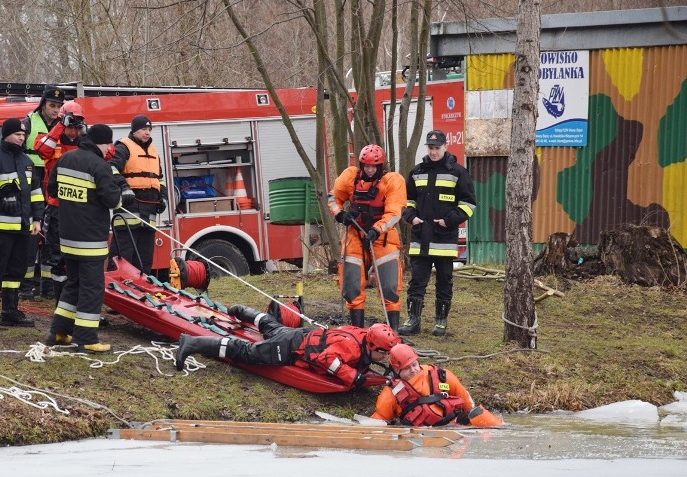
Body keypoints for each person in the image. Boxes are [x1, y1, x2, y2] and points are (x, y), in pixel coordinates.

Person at [174, 304, 401, 389]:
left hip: (300, 336)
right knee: (245, 352)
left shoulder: (362, 335)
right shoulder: (351, 347)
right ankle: (193, 343)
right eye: (384, 353)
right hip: (291, 349)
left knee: (273, 328)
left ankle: (243, 311)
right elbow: (327, 360)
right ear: (373, 346)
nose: (385, 357)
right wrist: (354, 377)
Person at [45, 124, 123, 353]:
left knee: (73, 284)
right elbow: (113, 201)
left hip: (68, 237)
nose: (110, 148)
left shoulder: (65, 159)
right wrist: (120, 194)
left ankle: (59, 331)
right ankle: (86, 338)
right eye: (109, 144)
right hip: (90, 240)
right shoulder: (100, 165)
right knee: (92, 288)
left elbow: (52, 189)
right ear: (102, 143)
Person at [399, 130, 476, 337]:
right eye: (431, 148)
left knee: (444, 281)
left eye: (437, 148)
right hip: (420, 238)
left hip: (444, 240)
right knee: (416, 282)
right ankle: (412, 320)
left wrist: (448, 221)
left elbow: (468, 204)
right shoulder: (416, 172)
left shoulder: (458, 172)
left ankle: (441, 322)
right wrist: (411, 217)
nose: (433, 152)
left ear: (445, 147)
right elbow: (406, 202)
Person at [328, 144, 407, 330]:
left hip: (383, 238)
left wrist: (376, 230)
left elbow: (394, 213)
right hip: (355, 236)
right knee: (352, 286)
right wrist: (340, 214)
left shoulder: (392, 181)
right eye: (367, 166)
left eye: (374, 167)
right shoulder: (349, 177)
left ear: (380, 167)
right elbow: (333, 197)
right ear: (361, 165)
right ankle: (357, 332)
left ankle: (392, 332)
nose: (370, 170)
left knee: (390, 287)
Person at [0, 118, 43, 328]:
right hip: (0, 227)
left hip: (23, 227)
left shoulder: (27, 162)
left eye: (23, 135)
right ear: (6, 135)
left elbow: (36, 193)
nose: (21, 138)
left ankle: (10, 311)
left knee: (16, 270)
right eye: (17, 134)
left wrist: (38, 219)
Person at [32, 100, 86, 301]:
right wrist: (60, 126)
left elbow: (105, 156)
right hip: (57, 208)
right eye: (69, 127)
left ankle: (77, 298)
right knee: (58, 257)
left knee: (80, 257)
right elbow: (42, 150)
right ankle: (61, 302)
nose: (72, 132)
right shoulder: (51, 140)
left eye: (75, 127)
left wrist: (85, 133)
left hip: (80, 208)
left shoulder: (84, 143)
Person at [371, 344, 502, 427]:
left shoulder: (441, 376)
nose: (413, 370)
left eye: (414, 364)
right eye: (407, 368)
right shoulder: (391, 393)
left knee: (478, 414)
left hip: (454, 427)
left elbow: (467, 402)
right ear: (397, 370)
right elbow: (378, 421)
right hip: (421, 436)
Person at [21, 85, 64, 299]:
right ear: (43, 104)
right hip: (32, 175)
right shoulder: (29, 123)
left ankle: (48, 286)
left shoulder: (64, 125)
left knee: (51, 236)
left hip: (54, 178)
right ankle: (26, 286)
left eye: (58, 106)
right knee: (31, 234)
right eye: (52, 105)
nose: (55, 110)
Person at [110, 114, 167, 275]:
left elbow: (159, 179)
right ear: (134, 130)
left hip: (149, 209)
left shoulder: (154, 152)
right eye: (143, 129)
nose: (147, 132)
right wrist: (124, 187)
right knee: (123, 252)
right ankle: (117, 286)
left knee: (144, 256)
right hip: (130, 206)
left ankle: (141, 289)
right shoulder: (123, 147)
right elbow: (111, 169)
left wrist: (163, 197)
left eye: (149, 129)